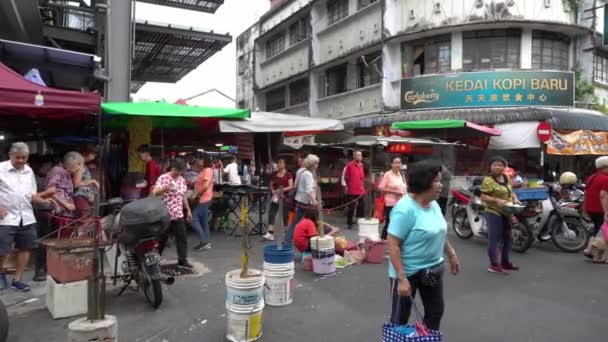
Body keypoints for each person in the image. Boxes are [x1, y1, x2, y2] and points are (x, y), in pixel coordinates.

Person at [387, 160, 460, 331]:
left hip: (432, 269)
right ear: (423, 182)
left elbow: (439, 232)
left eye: (440, 181)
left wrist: (451, 254)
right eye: (436, 181)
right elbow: (393, 245)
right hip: (408, 272)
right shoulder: (404, 209)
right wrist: (402, 279)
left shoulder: (433, 204)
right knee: (400, 319)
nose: (440, 185)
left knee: (435, 312)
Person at [0, 143, 55, 291]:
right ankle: (1, 274)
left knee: (26, 247)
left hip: (26, 215)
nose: (20, 160)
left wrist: (43, 201)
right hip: (5, 217)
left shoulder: (29, 171)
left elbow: (32, 195)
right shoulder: (1, 169)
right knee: (2, 249)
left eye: (23, 158)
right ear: (10, 155)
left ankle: (17, 280)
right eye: (17, 157)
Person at [480, 156, 521, 275]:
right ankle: (493, 265)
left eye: (500, 165)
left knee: (508, 238)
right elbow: (483, 196)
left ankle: (505, 262)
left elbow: (511, 191)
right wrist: (496, 201)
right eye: (495, 164)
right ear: (490, 166)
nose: (497, 167)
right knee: (495, 239)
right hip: (494, 211)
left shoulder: (506, 177)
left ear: (504, 167)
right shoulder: (488, 180)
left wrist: (516, 199)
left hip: (507, 211)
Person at [153, 158, 193, 269]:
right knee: (162, 239)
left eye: (181, 171)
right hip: (165, 215)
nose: (179, 173)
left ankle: (182, 260)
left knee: (182, 238)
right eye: (178, 171)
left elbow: (183, 195)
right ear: (173, 168)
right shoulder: (164, 178)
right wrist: (164, 189)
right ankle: (154, 261)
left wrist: (188, 210)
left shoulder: (181, 179)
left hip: (178, 214)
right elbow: (155, 192)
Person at [285, 154, 320, 244]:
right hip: (305, 202)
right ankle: (290, 240)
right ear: (312, 164)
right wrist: (315, 201)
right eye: (316, 163)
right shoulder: (308, 174)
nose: (317, 165)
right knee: (300, 222)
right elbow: (308, 190)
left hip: (299, 199)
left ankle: (290, 239)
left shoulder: (301, 171)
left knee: (297, 222)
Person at [46, 152, 85, 219]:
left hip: (65, 211)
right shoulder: (57, 171)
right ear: (73, 164)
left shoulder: (65, 173)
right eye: (78, 168)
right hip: (57, 212)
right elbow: (49, 191)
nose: (77, 171)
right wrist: (65, 204)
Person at [583, 156, 608, 257]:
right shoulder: (606, 179)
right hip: (599, 208)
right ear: (604, 167)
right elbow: (603, 196)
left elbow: (585, 193)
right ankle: (591, 250)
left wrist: (584, 208)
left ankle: (590, 250)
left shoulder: (591, 177)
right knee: (602, 230)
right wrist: (606, 211)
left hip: (590, 207)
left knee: (597, 228)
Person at [264, 159, 294, 241]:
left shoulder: (288, 174)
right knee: (271, 213)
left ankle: (286, 233)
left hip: (285, 197)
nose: (279, 165)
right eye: (278, 163)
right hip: (275, 197)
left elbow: (291, 186)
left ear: (284, 164)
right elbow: (271, 184)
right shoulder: (274, 174)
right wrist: (272, 190)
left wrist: (282, 190)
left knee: (285, 215)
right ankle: (270, 233)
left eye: (281, 163)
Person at [378, 156, 407, 240]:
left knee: (398, 223)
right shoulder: (388, 174)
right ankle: (383, 240)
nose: (398, 165)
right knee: (390, 223)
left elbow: (404, 189)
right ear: (391, 164)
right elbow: (381, 187)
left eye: (399, 163)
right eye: (396, 163)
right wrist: (395, 192)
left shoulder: (401, 174)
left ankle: (393, 241)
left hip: (400, 203)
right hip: (390, 203)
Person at [191, 158, 213, 252]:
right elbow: (194, 169)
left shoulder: (207, 170)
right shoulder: (204, 170)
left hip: (203, 198)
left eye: (200, 159)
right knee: (204, 222)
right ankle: (205, 242)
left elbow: (206, 185)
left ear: (205, 161)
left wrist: (197, 194)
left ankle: (204, 241)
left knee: (193, 219)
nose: (198, 161)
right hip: (204, 198)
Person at [73, 145, 100, 217]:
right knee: (84, 221)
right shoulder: (80, 164)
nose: (94, 157)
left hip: (84, 197)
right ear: (85, 153)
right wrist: (92, 181)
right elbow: (76, 184)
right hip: (79, 197)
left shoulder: (82, 164)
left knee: (86, 220)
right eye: (93, 154)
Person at [344, 150, 366, 229]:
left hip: (360, 190)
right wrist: (348, 186)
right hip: (352, 190)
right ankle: (349, 223)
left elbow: (362, 177)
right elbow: (346, 177)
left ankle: (360, 222)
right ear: (354, 156)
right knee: (351, 207)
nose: (360, 157)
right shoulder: (349, 165)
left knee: (362, 206)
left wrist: (362, 187)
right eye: (358, 155)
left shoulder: (361, 165)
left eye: (360, 155)